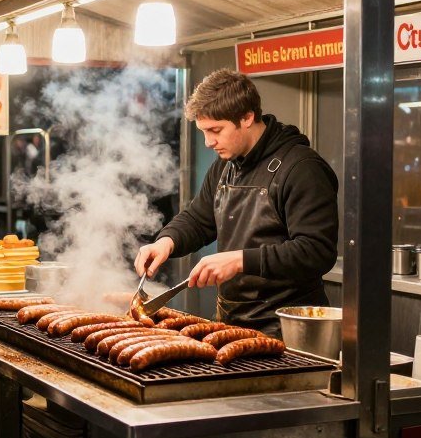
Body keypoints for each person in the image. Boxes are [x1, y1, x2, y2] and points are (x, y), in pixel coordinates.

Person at [134, 69, 339, 336]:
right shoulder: (225, 167)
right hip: (231, 323)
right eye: (204, 131)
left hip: (287, 328)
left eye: (215, 130)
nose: (208, 142)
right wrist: (166, 241)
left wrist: (241, 260)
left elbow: (316, 251)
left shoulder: (301, 168)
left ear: (246, 117)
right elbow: (199, 218)